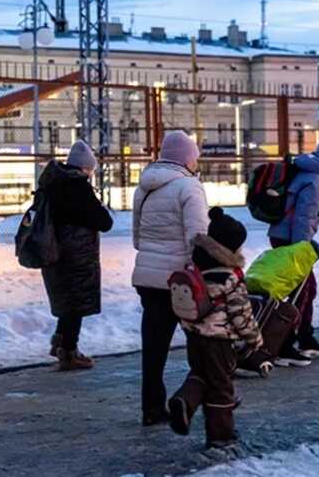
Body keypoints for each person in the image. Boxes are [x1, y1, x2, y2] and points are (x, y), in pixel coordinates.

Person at [132, 131, 209, 426]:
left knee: (153, 348)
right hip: (181, 281)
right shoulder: (189, 187)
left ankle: (151, 409)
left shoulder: (144, 187)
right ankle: (193, 398)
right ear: (188, 158)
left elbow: (138, 239)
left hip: (147, 277)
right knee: (202, 343)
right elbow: (197, 238)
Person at [168, 207, 262, 448]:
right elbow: (241, 314)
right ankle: (221, 436)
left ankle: (183, 400)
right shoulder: (229, 277)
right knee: (221, 387)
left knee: (200, 375)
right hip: (219, 341)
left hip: (194, 337)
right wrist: (254, 338)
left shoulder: (196, 268)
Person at [268, 135, 319, 367]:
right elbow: (304, 216)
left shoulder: (306, 171)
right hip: (292, 240)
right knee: (302, 291)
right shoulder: (314, 180)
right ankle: (284, 345)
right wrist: (303, 250)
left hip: (281, 235)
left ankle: (304, 336)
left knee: (306, 289)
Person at [43, 141, 113, 371]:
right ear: (84, 168)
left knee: (66, 300)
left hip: (54, 253)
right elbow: (105, 222)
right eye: (90, 170)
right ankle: (69, 351)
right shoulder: (77, 187)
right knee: (76, 303)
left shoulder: (53, 183)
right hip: (76, 255)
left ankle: (61, 341)